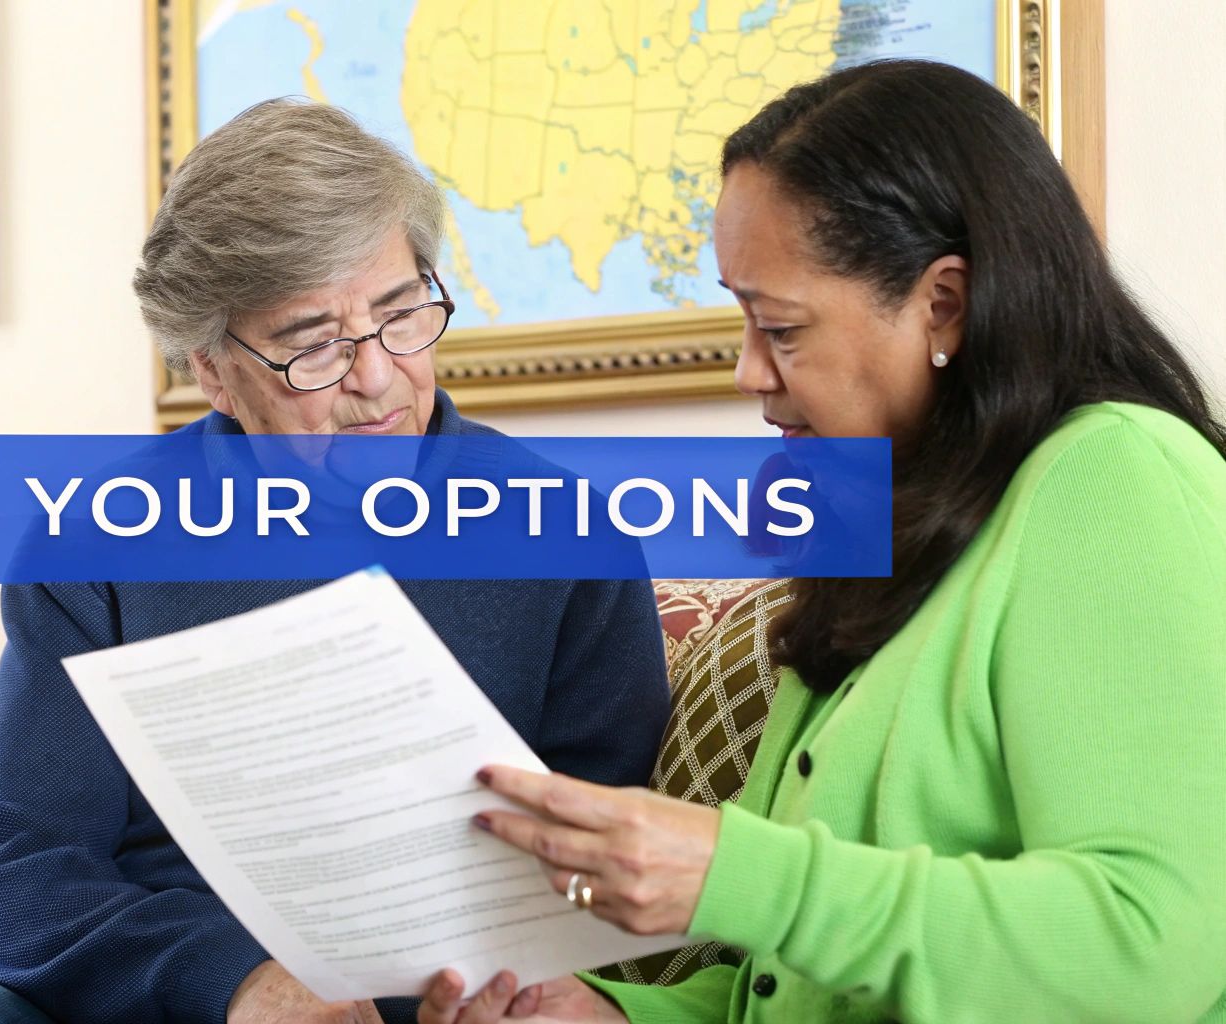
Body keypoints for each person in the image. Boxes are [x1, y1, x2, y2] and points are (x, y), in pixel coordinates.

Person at [417, 58, 1226, 1024]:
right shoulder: (875, 524)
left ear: (945, 305)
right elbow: (797, 994)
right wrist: (613, 1017)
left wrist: (736, 871)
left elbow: (1149, 948)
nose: (749, 373)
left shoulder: (1114, 475)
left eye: (783, 328)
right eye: (743, 318)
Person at [0, 99, 672, 1024]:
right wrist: (237, 984)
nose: (374, 379)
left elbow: (610, 864)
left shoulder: (564, 535)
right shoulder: (98, 542)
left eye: (402, 317)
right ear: (212, 371)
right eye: (314, 347)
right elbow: (18, 880)